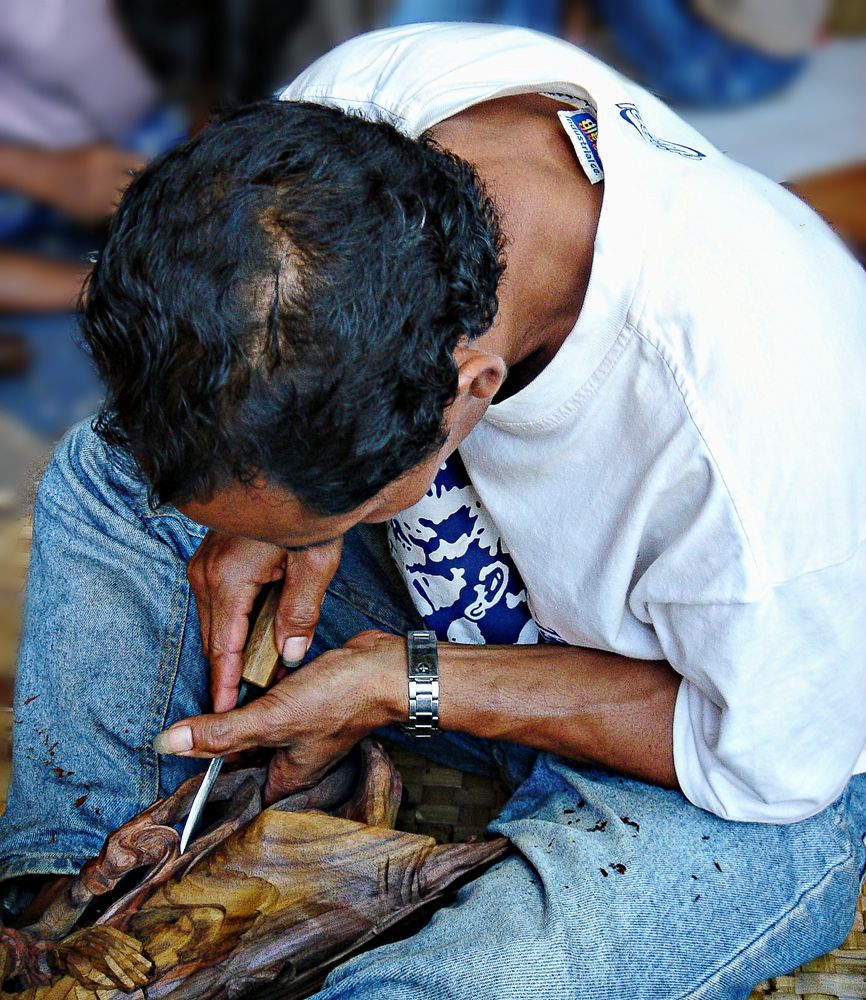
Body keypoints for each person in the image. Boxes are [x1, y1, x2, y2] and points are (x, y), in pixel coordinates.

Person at [2, 22, 866, 999]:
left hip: (716, 746)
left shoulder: (746, 429)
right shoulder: (341, 128)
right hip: (470, 601)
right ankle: (82, 898)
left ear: (473, 387)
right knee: (115, 472)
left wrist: (403, 681)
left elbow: (771, 765)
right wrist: (269, 511)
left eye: (316, 515)